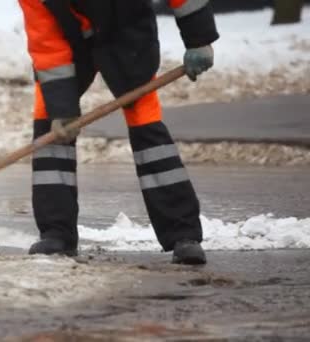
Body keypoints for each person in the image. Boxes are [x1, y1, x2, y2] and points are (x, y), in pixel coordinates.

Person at [17, 0, 219, 264]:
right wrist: (61, 107)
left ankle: (183, 234)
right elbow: (47, 42)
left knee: (145, 120)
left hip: (127, 31)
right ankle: (56, 233)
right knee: (50, 120)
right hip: (70, 39)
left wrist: (198, 38)